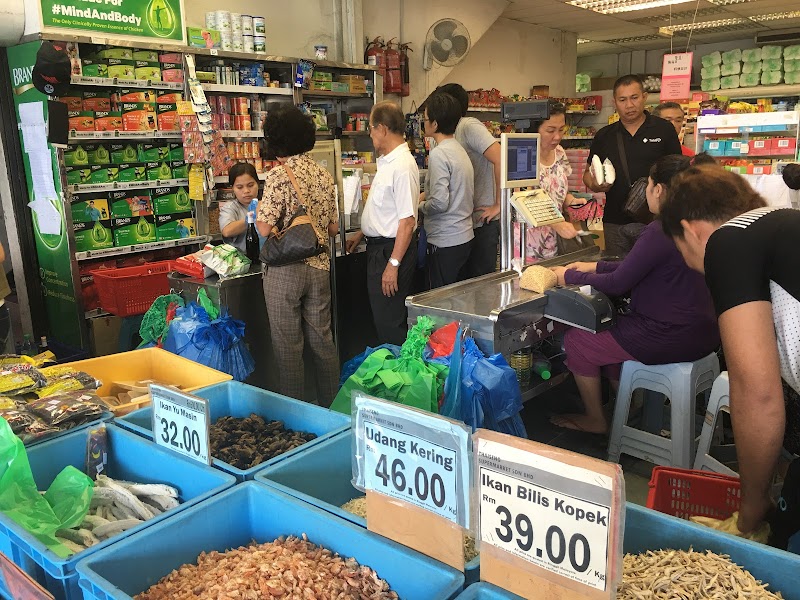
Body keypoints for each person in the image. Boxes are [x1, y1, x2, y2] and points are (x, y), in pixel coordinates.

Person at [659, 165, 800, 535]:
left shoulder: (728, 242)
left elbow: (757, 393)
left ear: (690, 229)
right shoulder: (782, 222)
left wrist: (751, 507)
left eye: (681, 250)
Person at [549, 153, 720, 435]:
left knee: (578, 340)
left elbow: (619, 283)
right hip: (705, 334)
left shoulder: (662, 228)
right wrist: (594, 266)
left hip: (669, 334)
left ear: (659, 190)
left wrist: (566, 275)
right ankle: (626, 412)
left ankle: (596, 419)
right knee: (614, 331)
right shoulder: (699, 222)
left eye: (648, 184)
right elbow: (640, 267)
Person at [257, 105, 339, 405]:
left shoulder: (278, 176)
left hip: (285, 271)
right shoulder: (322, 174)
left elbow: (265, 228)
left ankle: (296, 415)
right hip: (318, 267)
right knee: (322, 341)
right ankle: (333, 409)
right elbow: (332, 228)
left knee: (288, 347)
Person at [584, 75, 682, 256]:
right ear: (614, 102)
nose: (629, 105)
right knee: (616, 273)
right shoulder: (605, 135)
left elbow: (678, 172)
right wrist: (596, 184)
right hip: (614, 221)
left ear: (644, 97)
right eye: (622, 100)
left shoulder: (663, 129)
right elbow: (588, 175)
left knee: (653, 275)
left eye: (634, 98)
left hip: (654, 221)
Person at [346, 102, 419, 346]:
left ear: (383, 129)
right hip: (380, 247)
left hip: (391, 251)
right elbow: (386, 209)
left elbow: (407, 222)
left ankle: (402, 378)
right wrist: (361, 232)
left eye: (371, 128)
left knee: (390, 321)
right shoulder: (388, 161)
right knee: (382, 318)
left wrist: (393, 264)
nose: (370, 133)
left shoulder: (402, 166)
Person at [430, 83, 503, 278]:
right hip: (465, 225)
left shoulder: (468, 126)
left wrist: (499, 204)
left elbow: (501, 158)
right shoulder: (448, 135)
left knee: (481, 287)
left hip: (483, 221)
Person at [419, 93, 475, 289]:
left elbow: (440, 203)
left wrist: (421, 206)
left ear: (434, 124)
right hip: (464, 236)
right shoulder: (459, 149)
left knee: (439, 305)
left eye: (425, 119)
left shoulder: (439, 154)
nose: (423, 123)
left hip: (445, 241)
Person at [516, 101, 582, 262]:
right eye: (550, 130)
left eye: (561, 130)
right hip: (528, 244)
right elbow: (524, 199)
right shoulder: (522, 156)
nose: (557, 136)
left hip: (554, 242)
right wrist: (557, 223)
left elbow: (560, 191)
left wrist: (572, 201)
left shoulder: (559, 152)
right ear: (534, 130)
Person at [219, 162, 260, 253]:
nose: (246, 191)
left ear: (258, 184)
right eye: (239, 187)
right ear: (232, 188)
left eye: (250, 185)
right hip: (241, 262)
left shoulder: (267, 204)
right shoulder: (230, 208)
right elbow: (227, 231)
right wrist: (253, 215)